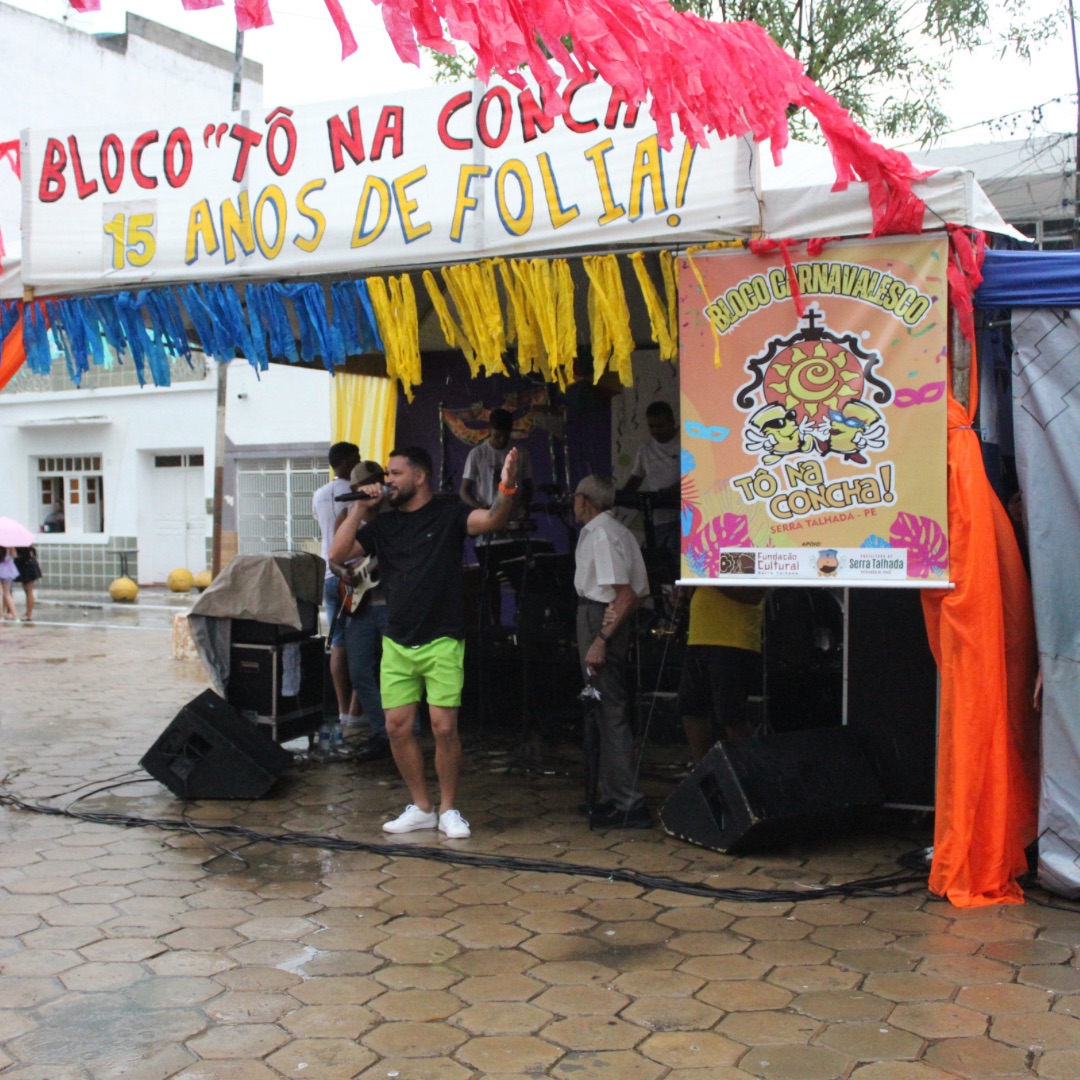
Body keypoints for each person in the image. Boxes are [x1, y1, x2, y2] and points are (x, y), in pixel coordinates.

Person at [330, 444, 520, 838]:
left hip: (443, 638)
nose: (389, 481)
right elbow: (337, 552)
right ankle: (422, 807)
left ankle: (450, 809)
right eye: (387, 474)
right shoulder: (384, 524)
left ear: (420, 476)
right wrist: (361, 509)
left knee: (443, 727)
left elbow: (494, 520)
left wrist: (507, 485)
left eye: (396, 473)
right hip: (398, 641)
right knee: (398, 727)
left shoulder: (449, 512)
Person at [572, 474, 652, 829]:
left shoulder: (601, 534)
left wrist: (602, 638)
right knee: (605, 708)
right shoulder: (618, 531)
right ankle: (610, 794)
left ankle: (628, 802)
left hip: (599, 617)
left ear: (585, 500)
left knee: (610, 710)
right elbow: (637, 591)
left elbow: (625, 594)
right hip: (603, 616)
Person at [328, 460, 393, 762]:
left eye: (376, 480)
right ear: (354, 490)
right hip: (359, 602)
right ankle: (383, 733)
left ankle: (404, 734)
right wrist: (344, 573)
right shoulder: (348, 514)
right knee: (359, 672)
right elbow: (334, 558)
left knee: (396, 673)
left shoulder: (395, 513)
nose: (371, 487)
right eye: (364, 484)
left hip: (390, 603)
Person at [679, 586, 764, 764]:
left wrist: (710, 575)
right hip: (699, 635)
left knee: (730, 712)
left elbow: (755, 593)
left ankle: (746, 771)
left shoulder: (747, 557)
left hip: (734, 638)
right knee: (691, 708)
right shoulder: (705, 559)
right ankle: (704, 773)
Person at [313, 441, 361, 744]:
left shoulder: (319, 494)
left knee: (338, 641)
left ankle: (343, 710)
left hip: (328, 576)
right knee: (360, 641)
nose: (359, 464)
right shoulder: (354, 494)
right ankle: (355, 711)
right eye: (356, 459)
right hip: (352, 575)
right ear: (345, 462)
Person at [620, 400, 681, 555]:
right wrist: (621, 496)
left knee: (679, 564)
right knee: (660, 563)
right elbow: (635, 478)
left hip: (684, 519)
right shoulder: (645, 449)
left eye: (660, 426)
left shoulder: (686, 442)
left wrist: (670, 491)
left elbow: (695, 478)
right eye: (651, 426)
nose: (655, 431)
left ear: (672, 422)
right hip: (657, 519)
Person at [459, 407, 533, 520]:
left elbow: (528, 487)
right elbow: (464, 491)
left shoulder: (521, 453)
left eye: (506, 435)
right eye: (497, 436)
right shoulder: (477, 454)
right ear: (490, 429)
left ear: (511, 431)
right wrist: (480, 508)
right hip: (487, 517)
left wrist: (523, 505)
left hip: (514, 517)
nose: (502, 440)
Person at [13, 546, 41, 622]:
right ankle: (28, 613)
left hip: (26, 567)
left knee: (28, 591)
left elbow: (15, 555)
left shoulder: (21, 547)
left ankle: (29, 614)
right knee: (28, 591)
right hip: (28, 566)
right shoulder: (28, 547)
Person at [0, 548, 19, 621]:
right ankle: (15, 616)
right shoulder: (8, 542)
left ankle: (0, 616)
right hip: (7, 568)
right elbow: (14, 555)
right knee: (7, 593)